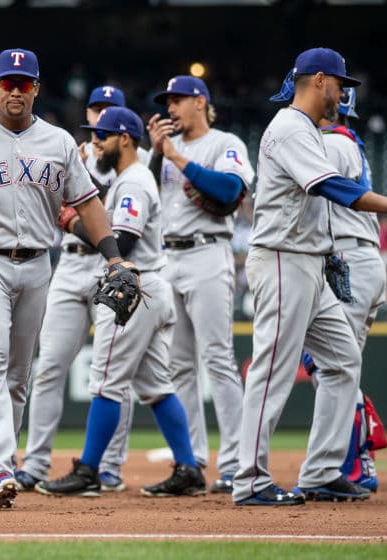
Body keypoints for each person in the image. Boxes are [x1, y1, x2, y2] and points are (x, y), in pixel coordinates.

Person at [0, 48, 128, 509]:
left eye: (24, 82)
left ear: (37, 87)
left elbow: (89, 204)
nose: (16, 90)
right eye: (8, 82)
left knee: (19, 377)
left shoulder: (58, 142)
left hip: (38, 263)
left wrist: (114, 259)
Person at [234, 48, 387, 506]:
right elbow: (332, 187)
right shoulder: (288, 127)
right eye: (341, 85)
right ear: (318, 79)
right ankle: (249, 480)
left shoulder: (307, 131)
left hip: (309, 263)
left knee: (343, 361)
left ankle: (322, 471)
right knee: (272, 370)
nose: (343, 94)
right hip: (282, 259)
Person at [35, 107, 206, 498]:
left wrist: (70, 221)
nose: (96, 142)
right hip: (147, 287)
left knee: (106, 381)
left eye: (103, 135)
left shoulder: (134, 182)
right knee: (155, 385)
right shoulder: (129, 180)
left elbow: (122, 244)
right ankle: (189, 469)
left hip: (134, 286)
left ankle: (91, 471)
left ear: (125, 139)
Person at [16, 85, 144, 494]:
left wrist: (74, 217)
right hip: (70, 264)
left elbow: (110, 221)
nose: (102, 114)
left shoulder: (131, 159)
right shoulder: (70, 151)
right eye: (97, 108)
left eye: (110, 110)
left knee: (112, 374)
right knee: (50, 366)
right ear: (88, 112)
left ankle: (108, 466)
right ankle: (34, 463)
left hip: (112, 265)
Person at [146, 75, 253, 493]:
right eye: (167, 101)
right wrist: (158, 156)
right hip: (166, 257)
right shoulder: (164, 151)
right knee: (178, 368)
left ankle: (237, 464)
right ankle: (189, 464)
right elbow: (144, 192)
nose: (169, 108)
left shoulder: (225, 143)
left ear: (199, 101)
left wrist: (176, 156)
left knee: (218, 359)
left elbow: (229, 190)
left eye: (177, 100)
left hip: (208, 252)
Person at [299, 87, 387, 493]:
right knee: (340, 366)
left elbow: (316, 193)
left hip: (349, 261)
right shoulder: (347, 143)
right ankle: (356, 460)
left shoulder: (333, 143)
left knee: (333, 367)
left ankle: (350, 465)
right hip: (360, 262)